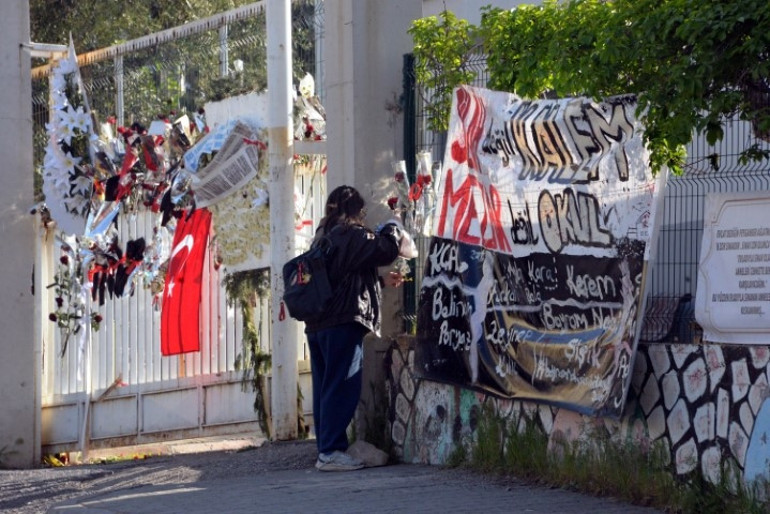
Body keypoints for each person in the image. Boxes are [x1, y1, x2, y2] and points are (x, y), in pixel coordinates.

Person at [305, 185, 406, 472]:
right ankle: (331, 452)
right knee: (342, 386)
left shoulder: (322, 237)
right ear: (355, 211)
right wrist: (394, 224)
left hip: (318, 324)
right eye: (362, 211)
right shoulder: (351, 234)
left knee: (326, 387)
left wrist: (380, 282)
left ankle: (326, 448)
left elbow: (343, 278)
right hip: (342, 323)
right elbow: (387, 250)